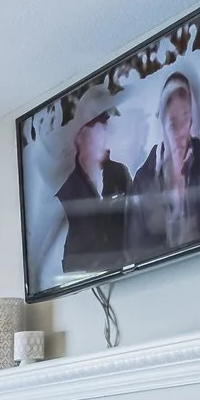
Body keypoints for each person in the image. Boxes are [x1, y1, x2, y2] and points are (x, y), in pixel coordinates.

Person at [129, 69, 200, 253]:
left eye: (185, 118)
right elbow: (135, 248)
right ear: (162, 121)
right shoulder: (142, 179)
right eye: (173, 122)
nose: (180, 130)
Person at [54, 84, 132, 276]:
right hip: (77, 285)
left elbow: (135, 227)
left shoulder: (119, 173)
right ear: (80, 132)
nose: (107, 129)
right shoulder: (64, 186)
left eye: (107, 122)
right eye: (101, 122)